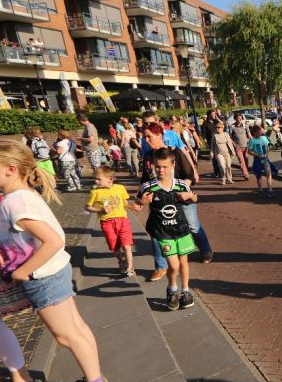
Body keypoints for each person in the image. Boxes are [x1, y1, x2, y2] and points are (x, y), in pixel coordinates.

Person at [0, 140, 109, 382]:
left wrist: (23, 272)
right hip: (51, 273)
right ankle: (94, 380)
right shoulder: (18, 197)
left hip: (43, 278)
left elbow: (53, 240)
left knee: (67, 335)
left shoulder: (16, 203)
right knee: (76, 329)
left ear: (10, 169)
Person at [143, 124, 213, 278]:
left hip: (180, 199)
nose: (146, 140)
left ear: (159, 135)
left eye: (149, 136)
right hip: (160, 202)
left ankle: (205, 250)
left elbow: (189, 175)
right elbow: (145, 179)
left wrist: (184, 191)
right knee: (156, 231)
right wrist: (145, 197)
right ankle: (160, 266)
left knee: (192, 225)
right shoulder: (148, 157)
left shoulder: (175, 153)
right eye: (144, 137)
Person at [137, 148, 197, 311]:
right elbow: (137, 204)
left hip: (181, 230)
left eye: (164, 167)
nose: (161, 170)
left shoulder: (181, 185)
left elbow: (195, 197)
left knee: (183, 262)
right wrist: (142, 202)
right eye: (157, 166)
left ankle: (185, 291)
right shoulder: (148, 186)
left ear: (172, 166)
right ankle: (171, 290)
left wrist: (190, 196)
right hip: (163, 232)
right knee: (174, 264)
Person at [86, 166, 138, 277]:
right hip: (107, 222)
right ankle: (121, 262)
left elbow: (124, 203)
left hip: (122, 220)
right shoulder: (95, 192)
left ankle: (130, 267)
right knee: (115, 246)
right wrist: (100, 210)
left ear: (110, 179)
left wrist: (132, 207)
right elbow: (88, 207)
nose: (96, 181)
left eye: (99, 179)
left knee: (127, 244)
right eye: (95, 179)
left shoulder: (120, 188)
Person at [248, 125, 273, 198]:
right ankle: (260, 189)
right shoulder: (252, 141)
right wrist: (256, 154)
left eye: (260, 131)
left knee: (269, 173)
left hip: (265, 159)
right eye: (257, 132)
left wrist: (267, 153)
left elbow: (268, 146)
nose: (259, 133)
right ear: (254, 133)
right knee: (259, 176)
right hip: (257, 160)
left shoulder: (264, 138)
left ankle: (270, 190)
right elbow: (249, 151)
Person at [229, 114, 251, 179]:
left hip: (246, 146)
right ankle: (246, 174)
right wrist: (234, 144)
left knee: (246, 159)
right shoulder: (232, 127)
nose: (239, 120)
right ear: (235, 119)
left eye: (240, 118)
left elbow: (249, 134)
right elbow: (229, 137)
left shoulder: (245, 126)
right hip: (238, 147)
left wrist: (252, 140)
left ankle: (246, 170)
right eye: (238, 118)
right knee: (241, 160)